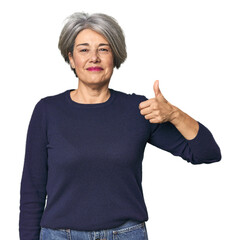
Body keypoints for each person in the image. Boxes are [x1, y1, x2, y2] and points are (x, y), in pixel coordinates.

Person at [19, 12, 221, 240]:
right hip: (59, 236)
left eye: (103, 49)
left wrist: (174, 114)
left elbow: (208, 153)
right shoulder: (47, 111)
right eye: (84, 50)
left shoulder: (138, 110)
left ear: (115, 56)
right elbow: (32, 190)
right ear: (72, 59)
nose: (93, 58)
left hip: (126, 234)